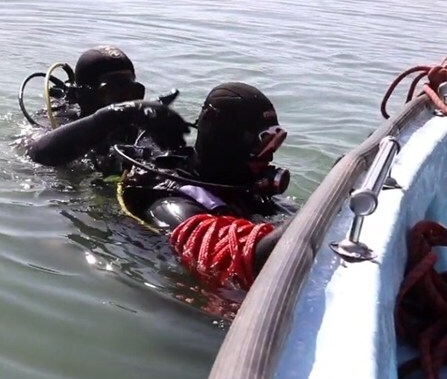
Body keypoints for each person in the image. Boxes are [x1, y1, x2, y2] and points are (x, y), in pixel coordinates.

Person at [113, 81, 298, 293]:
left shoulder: (244, 187)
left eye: (275, 142)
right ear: (215, 129)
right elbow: (237, 256)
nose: (269, 155)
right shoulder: (171, 204)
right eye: (261, 142)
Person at [21, 45, 188, 176]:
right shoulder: (59, 118)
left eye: (134, 92)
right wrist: (112, 115)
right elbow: (36, 153)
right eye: (114, 92)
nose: (126, 100)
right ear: (81, 95)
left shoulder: (140, 128)